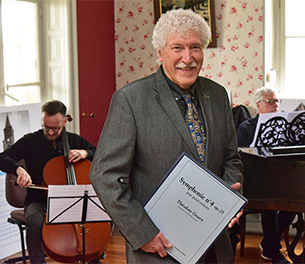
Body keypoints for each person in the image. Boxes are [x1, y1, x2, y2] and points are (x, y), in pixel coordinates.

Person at [89, 9, 243, 264]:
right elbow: (104, 175)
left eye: (195, 47)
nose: (188, 58)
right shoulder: (131, 100)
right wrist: (142, 233)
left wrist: (229, 199)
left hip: (214, 247)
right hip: (159, 249)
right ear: (160, 52)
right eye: (177, 48)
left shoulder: (217, 95)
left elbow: (231, 159)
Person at [0, 100, 101, 264]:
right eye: (46, 127)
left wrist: (85, 153)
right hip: (38, 200)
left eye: (55, 128)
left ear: (65, 121)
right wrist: (18, 169)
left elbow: (100, 154)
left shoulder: (74, 141)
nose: (50, 132)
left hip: (71, 199)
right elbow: (0, 158)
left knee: (98, 216)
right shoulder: (30, 141)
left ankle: (94, 259)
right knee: (35, 219)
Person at [237, 87, 295, 264]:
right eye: (270, 102)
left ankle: (268, 243)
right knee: (269, 200)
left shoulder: (286, 127)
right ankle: (273, 250)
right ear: (258, 106)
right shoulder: (246, 128)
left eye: (277, 101)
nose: (275, 105)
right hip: (253, 180)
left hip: (277, 179)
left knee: (297, 202)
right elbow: (239, 157)